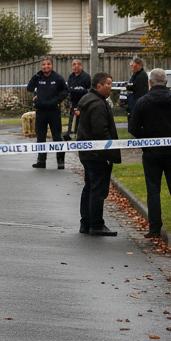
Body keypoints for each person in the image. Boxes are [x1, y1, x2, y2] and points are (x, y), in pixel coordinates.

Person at [128, 67, 171, 238]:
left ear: (150, 82)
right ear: (166, 82)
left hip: (152, 154)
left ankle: (155, 228)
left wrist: (145, 140)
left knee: (153, 191)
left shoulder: (143, 102)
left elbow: (133, 128)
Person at [76, 73, 122, 236]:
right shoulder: (97, 104)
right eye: (108, 84)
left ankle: (86, 223)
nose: (111, 87)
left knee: (90, 186)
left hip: (88, 153)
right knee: (97, 189)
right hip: (97, 154)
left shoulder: (90, 100)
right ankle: (96, 224)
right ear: (98, 85)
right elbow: (100, 132)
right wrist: (109, 153)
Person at [26, 58, 68, 169]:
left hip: (54, 111)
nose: (46, 67)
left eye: (48, 64)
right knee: (40, 137)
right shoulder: (38, 77)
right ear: (41, 66)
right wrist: (35, 77)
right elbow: (29, 88)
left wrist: (57, 100)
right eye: (44, 65)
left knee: (57, 137)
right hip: (41, 111)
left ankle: (60, 161)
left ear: (51, 66)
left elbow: (65, 91)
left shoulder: (57, 78)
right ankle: (41, 161)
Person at [64, 59, 91, 139]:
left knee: (83, 121)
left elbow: (88, 90)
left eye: (78, 64)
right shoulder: (71, 77)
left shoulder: (86, 77)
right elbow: (69, 90)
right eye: (74, 64)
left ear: (81, 66)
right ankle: (70, 134)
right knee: (72, 120)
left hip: (84, 103)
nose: (76, 66)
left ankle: (83, 136)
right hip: (74, 103)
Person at [125, 57, 149, 126]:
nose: (131, 67)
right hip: (133, 99)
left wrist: (130, 86)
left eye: (133, 65)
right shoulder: (135, 75)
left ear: (138, 65)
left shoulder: (142, 75)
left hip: (138, 99)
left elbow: (137, 87)